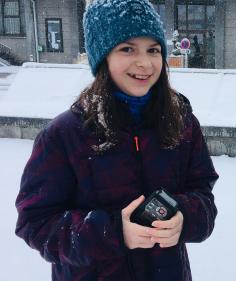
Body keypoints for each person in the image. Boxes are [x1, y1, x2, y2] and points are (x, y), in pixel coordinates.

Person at [15, 0, 218, 280]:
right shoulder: (64, 134)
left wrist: (184, 217)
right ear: (103, 57)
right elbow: (35, 223)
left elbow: (203, 195)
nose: (145, 63)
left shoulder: (181, 122)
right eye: (127, 49)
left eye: (153, 50)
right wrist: (110, 232)